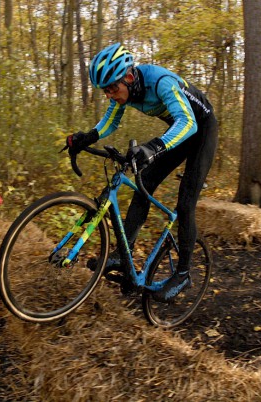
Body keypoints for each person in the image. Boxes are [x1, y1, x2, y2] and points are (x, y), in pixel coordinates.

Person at [65, 43, 218, 302]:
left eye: (113, 88)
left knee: (185, 203)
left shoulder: (161, 82)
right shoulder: (126, 91)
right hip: (179, 129)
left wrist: (154, 147)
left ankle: (182, 274)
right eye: (105, 91)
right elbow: (111, 120)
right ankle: (123, 256)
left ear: (128, 76)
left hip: (201, 130)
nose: (110, 95)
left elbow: (189, 123)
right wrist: (88, 137)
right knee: (144, 180)